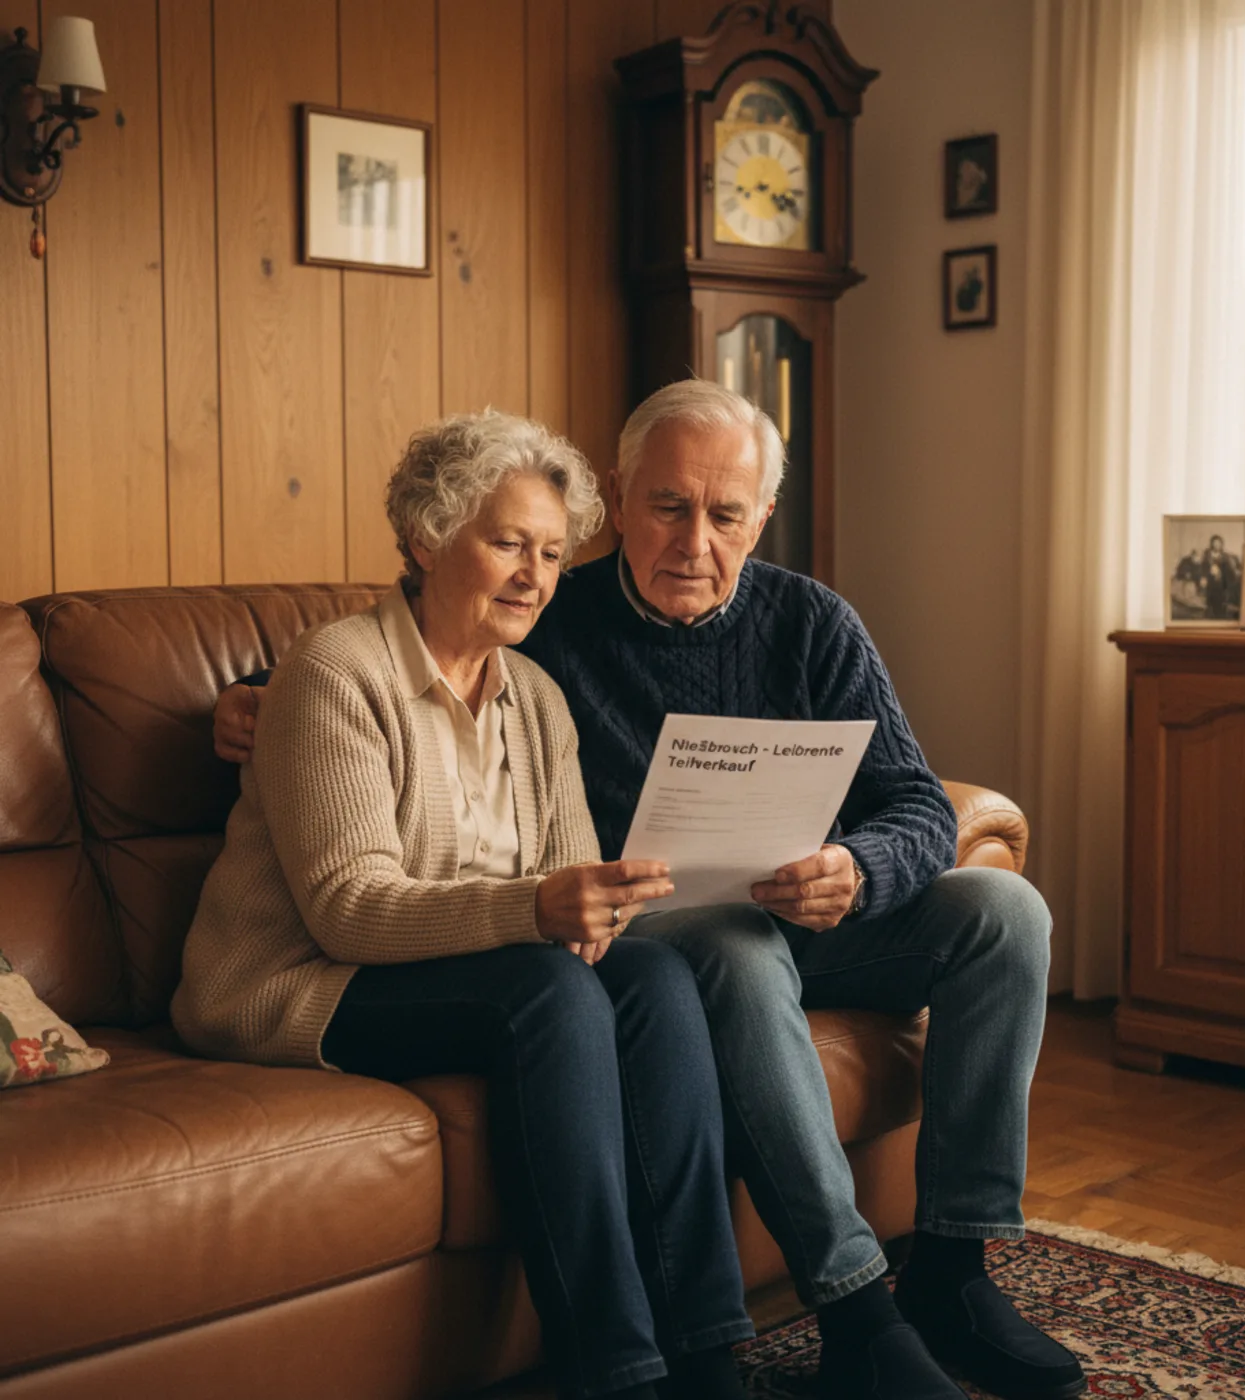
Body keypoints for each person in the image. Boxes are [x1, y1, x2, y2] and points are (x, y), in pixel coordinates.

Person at [216, 382, 1085, 1400]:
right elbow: (407, 644)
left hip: (808, 914)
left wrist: (857, 870)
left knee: (1006, 912)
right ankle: (850, 1306)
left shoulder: (803, 623)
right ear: (621, 499)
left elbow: (916, 802)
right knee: (708, 952)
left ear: (762, 516)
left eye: (726, 515)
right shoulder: (549, 623)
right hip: (673, 931)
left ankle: (949, 1269)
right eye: (669, 506)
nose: (694, 542)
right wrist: (248, 693)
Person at [183, 412, 755, 1400]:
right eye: (507, 543)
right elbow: (348, 909)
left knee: (656, 975)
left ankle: (706, 1352)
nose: (534, 575)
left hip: (474, 969)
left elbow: (571, 882)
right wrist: (542, 909)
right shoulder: (333, 672)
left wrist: (603, 909)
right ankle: (612, 1370)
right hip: (304, 982)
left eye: (550, 552)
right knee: (548, 992)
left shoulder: (536, 695)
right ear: (426, 538)